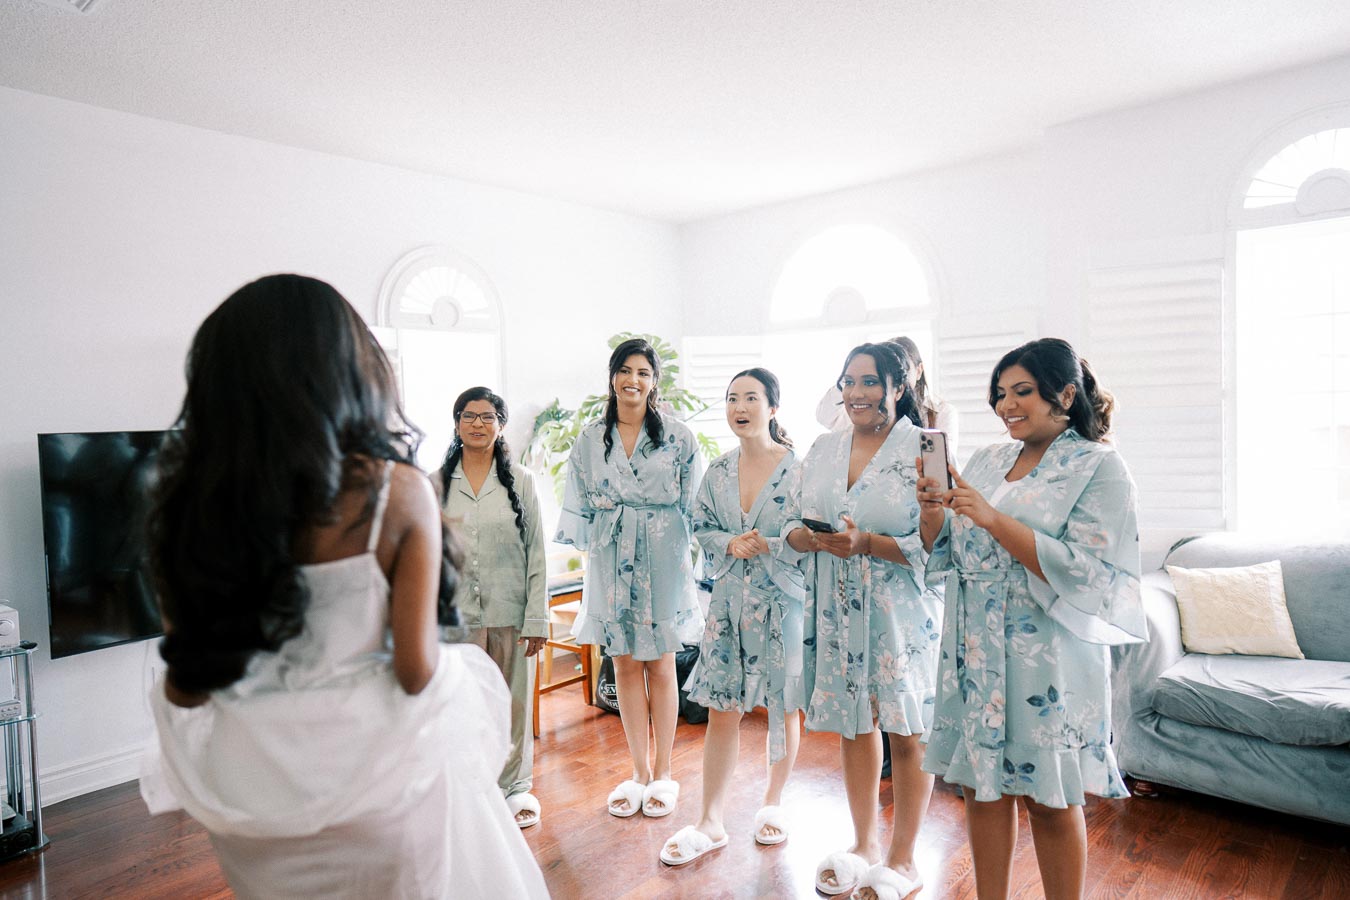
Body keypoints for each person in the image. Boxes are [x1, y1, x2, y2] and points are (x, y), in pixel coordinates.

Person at [139, 274, 548, 900]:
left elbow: (186, 687)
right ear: (350, 372)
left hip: (248, 789)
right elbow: (415, 672)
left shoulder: (184, 502)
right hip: (377, 780)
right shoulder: (394, 491)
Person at [918, 337, 1146, 900]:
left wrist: (993, 519)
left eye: (1022, 391)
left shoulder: (1099, 466)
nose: (1006, 406)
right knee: (982, 789)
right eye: (1000, 394)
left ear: (1064, 393)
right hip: (974, 645)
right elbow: (946, 550)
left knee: (1050, 798)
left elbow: (1090, 569)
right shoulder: (989, 459)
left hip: (1046, 652)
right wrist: (932, 509)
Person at [785, 342, 945, 899]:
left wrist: (868, 543)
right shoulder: (824, 448)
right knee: (856, 724)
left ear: (897, 387)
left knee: (906, 729)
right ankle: (863, 845)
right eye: (847, 381)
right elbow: (792, 520)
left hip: (901, 608)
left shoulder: (924, 450)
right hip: (837, 603)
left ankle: (904, 859)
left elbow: (941, 546)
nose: (855, 393)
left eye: (869, 382)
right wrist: (805, 537)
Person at [659, 368, 806, 866]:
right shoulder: (717, 471)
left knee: (784, 707)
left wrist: (772, 542)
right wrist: (728, 542)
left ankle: (773, 803)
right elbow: (701, 525)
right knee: (723, 707)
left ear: (773, 407)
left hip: (783, 600)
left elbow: (812, 532)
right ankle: (711, 819)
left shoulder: (799, 470)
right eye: (731, 398)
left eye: (750, 398)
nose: (739, 407)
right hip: (727, 604)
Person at [555, 338, 704, 820]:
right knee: (622, 664)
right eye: (625, 370)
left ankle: (664, 771)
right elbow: (576, 495)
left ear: (654, 381)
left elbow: (695, 506)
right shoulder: (589, 438)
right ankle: (637, 770)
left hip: (663, 551)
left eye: (643, 372)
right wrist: (590, 539)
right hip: (610, 551)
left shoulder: (679, 437)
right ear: (612, 377)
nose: (632, 380)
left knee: (661, 662)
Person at [431, 387, 548, 830]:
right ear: (457, 423)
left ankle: (517, 788)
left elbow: (535, 551)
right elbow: (426, 555)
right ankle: (470, 784)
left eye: (487, 416)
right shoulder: (436, 484)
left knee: (512, 704)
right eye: (468, 415)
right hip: (456, 619)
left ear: (500, 425)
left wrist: (537, 617)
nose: (477, 423)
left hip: (511, 613)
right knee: (462, 704)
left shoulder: (521, 480)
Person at [816, 335, 960, 457]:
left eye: (903, 369)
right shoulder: (865, 411)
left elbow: (944, 463)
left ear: (918, 370)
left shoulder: (939, 413)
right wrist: (855, 372)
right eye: (886, 372)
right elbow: (824, 415)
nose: (897, 376)